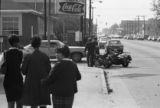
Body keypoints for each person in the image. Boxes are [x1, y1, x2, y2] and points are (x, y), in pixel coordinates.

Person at [21, 36, 51, 108]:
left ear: (31, 44)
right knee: (43, 103)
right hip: (43, 83)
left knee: (33, 104)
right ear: (40, 44)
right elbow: (49, 70)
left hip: (31, 84)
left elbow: (24, 71)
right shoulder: (45, 56)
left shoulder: (28, 57)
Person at [0, 35, 23, 108]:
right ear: (17, 42)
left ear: (9, 43)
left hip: (8, 81)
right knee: (19, 103)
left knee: (10, 104)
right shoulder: (20, 53)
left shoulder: (5, 53)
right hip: (18, 80)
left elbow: (1, 65)